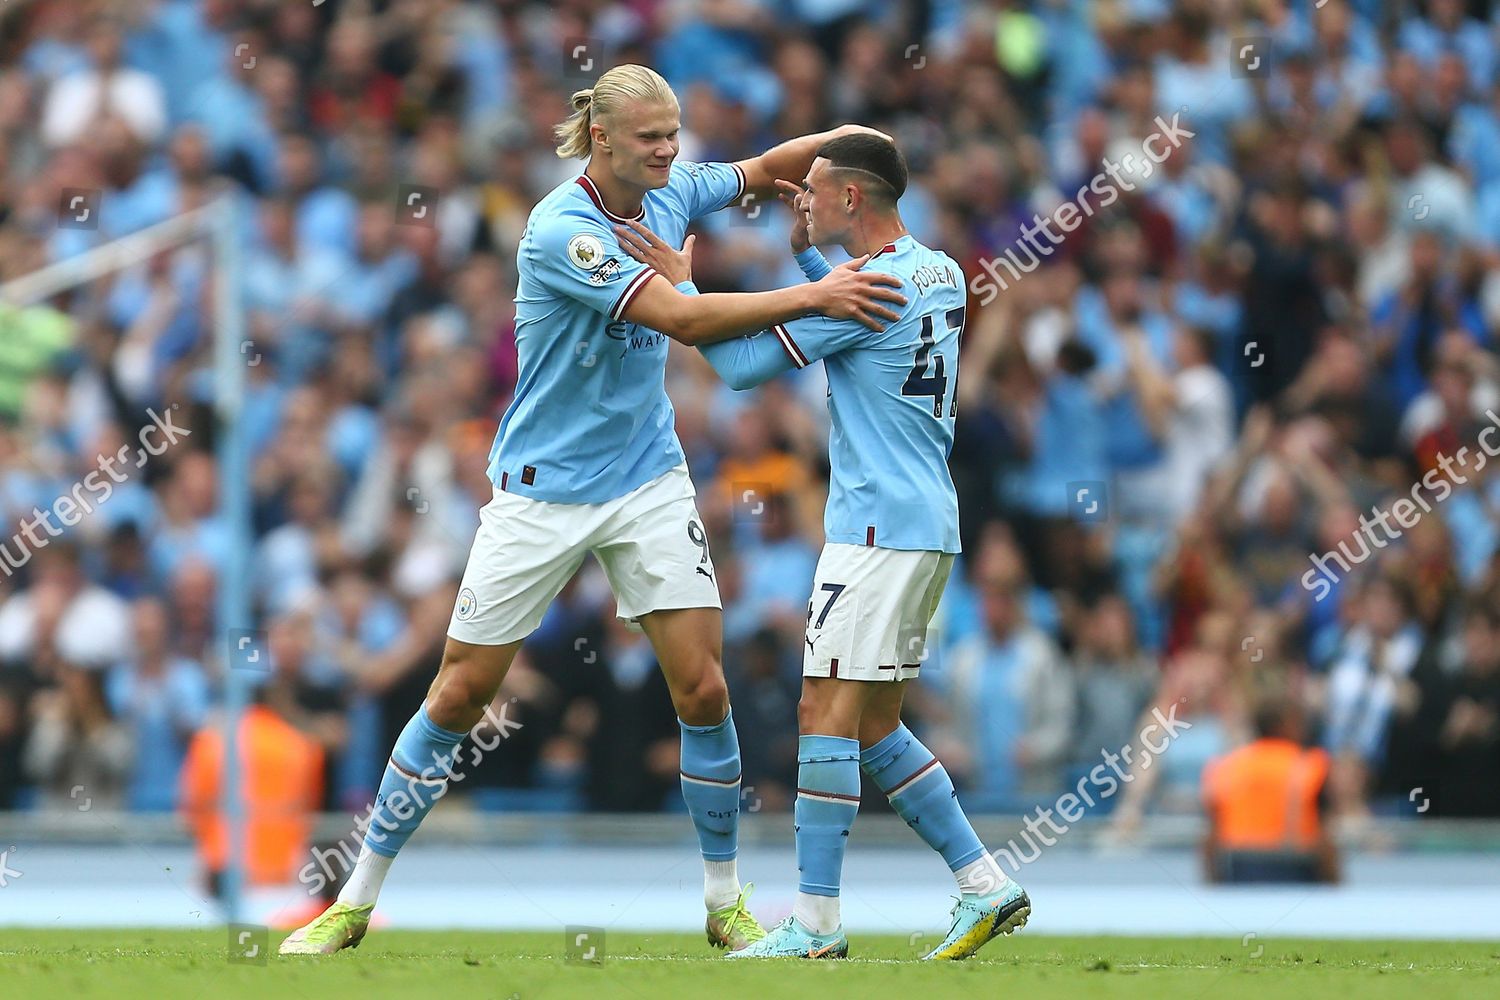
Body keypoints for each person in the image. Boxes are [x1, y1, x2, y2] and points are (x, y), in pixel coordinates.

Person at [280, 63, 906, 955]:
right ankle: (354, 901)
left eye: (675, 131)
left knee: (703, 687)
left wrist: (858, 152)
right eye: (652, 136)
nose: (670, 149)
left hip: (647, 478)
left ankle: (724, 901)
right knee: (459, 693)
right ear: (603, 138)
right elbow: (685, 324)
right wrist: (816, 293)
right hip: (542, 490)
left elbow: (768, 167)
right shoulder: (561, 231)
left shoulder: (674, 189)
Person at [616, 133, 1029, 960]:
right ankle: (985, 883)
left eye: (810, 190)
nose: (796, 201)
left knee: (822, 716)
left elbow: (736, 369)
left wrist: (682, 285)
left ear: (852, 199)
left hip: (874, 529)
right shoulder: (936, 269)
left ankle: (816, 925)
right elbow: (860, 324)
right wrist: (808, 264)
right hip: (926, 525)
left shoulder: (869, 286)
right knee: (874, 725)